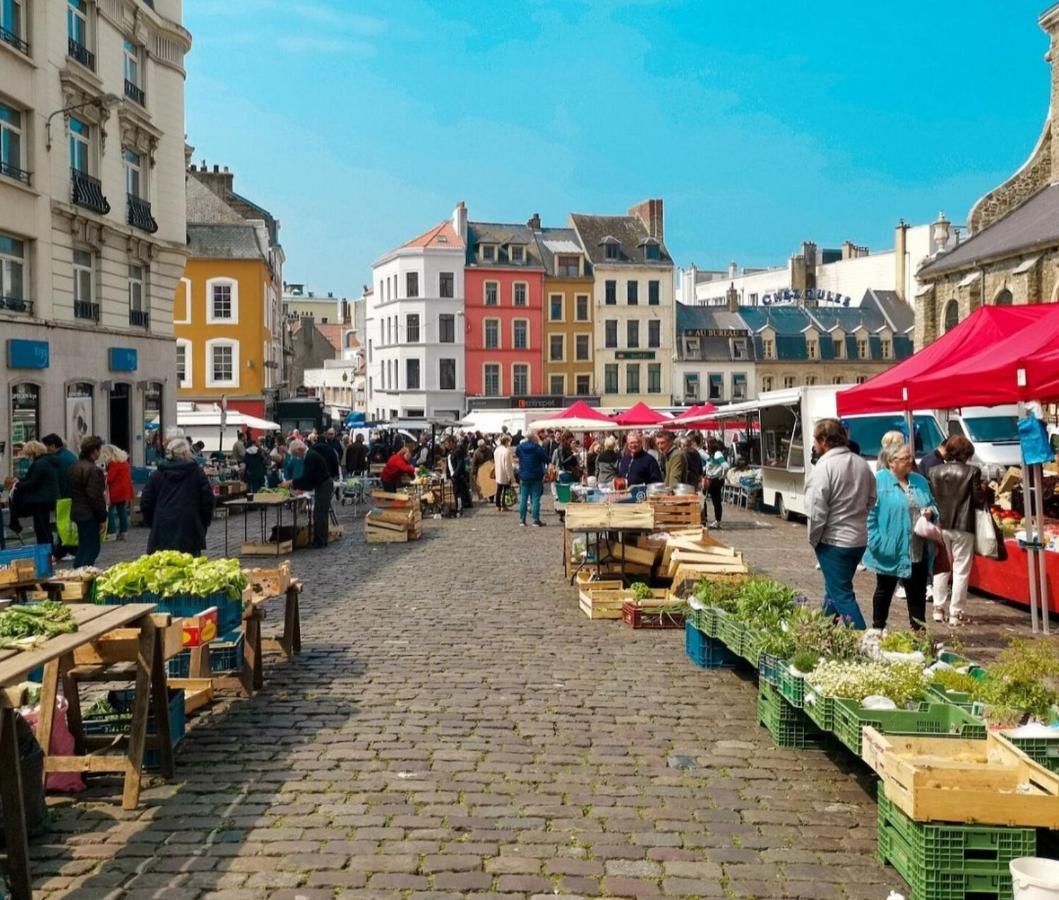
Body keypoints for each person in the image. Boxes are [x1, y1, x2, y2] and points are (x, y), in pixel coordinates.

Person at [805, 418, 877, 629]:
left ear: (824, 441)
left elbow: (816, 509)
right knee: (834, 588)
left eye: (816, 440)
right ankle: (821, 632)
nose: (815, 445)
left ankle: (863, 640)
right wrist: (857, 514)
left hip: (834, 540)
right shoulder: (861, 463)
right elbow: (872, 498)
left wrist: (814, 539)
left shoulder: (824, 467)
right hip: (857, 538)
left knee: (842, 594)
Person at [863, 443, 938, 630]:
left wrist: (931, 512)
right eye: (905, 458)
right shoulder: (878, 481)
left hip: (917, 549)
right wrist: (877, 541)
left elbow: (933, 504)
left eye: (910, 457)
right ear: (891, 462)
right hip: (890, 547)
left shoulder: (919, 481)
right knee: (884, 590)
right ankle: (878, 629)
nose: (910, 461)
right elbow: (868, 514)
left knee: (917, 594)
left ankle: (919, 633)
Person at [928, 435, 983, 626]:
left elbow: (930, 498)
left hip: (940, 524)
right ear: (966, 454)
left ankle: (937, 608)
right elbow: (978, 500)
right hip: (963, 525)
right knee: (961, 569)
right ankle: (955, 612)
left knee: (941, 567)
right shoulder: (972, 471)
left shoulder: (934, 471)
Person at [141, 438, 216, 555]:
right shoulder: (197, 473)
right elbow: (207, 501)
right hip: (190, 528)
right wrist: (203, 523)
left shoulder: (157, 474)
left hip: (162, 529)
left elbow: (146, 501)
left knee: (161, 569)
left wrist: (153, 522)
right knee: (190, 568)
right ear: (185, 453)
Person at [284, 439, 334, 548]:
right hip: (323, 484)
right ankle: (321, 539)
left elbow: (307, 477)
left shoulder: (310, 457)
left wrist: (293, 482)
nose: (297, 456)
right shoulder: (310, 455)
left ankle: (319, 541)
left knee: (319, 514)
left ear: (300, 449)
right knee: (321, 513)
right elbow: (309, 478)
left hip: (324, 485)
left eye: (296, 454)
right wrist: (299, 486)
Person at [68, 436, 107, 567]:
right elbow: (95, 496)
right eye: (99, 449)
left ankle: (77, 571)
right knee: (92, 547)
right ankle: (83, 573)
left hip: (78, 511)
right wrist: (102, 517)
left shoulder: (74, 466)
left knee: (83, 546)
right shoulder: (93, 470)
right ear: (94, 451)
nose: (100, 453)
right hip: (89, 513)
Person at [10, 441, 59, 547]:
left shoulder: (39, 464)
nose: (28, 457)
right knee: (43, 526)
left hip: (41, 500)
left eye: (28, 454)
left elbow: (33, 483)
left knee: (41, 527)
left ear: (33, 452)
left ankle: (46, 550)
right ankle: (47, 550)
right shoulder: (45, 462)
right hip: (44, 499)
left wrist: (18, 484)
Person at [515, 431, 550, 527]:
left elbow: (517, 455)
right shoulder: (537, 448)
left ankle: (522, 520)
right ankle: (535, 520)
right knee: (535, 499)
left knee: (523, 498)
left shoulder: (520, 447)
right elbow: (546, 459)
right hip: (536, 476)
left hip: (524, 475)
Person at [101, 445, 133, 541]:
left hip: (116, 491)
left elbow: (110, 479)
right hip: (124, 490)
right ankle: (123, 532)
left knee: (110, 511)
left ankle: (112, 532)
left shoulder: (113, 463)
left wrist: (104, 475)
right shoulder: (124, 462)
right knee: (122, 511)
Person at [445, 438, 470, 518]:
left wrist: (455, 474)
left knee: (458, 493)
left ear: (451, 443)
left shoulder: (457, 451)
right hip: (454, 476)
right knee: (456, 493)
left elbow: (460, 464)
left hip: (458, 476)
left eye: (447, 444)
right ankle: (457, 508)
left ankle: (459, 509)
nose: (446, 446)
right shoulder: (451, 452)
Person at [703, 449, 728, 529]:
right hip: (710, 479)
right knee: (704, 499)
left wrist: (723, 476)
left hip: (715, 480)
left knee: (716, 501)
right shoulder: (712, 455)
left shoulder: (717, 454)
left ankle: (717, 521)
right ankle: (706, 519)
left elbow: (726, 466)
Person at [493, 435, 515, 510]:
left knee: (499, 489)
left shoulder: (496, 450)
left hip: (498, 471)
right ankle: (504, 505)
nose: (509, 443)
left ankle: (497, 505)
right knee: (506, 490)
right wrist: (510, 476)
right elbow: (507, 465)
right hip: (504, 473)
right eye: (509, 442)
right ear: (506, 441)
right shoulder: (506, 451)